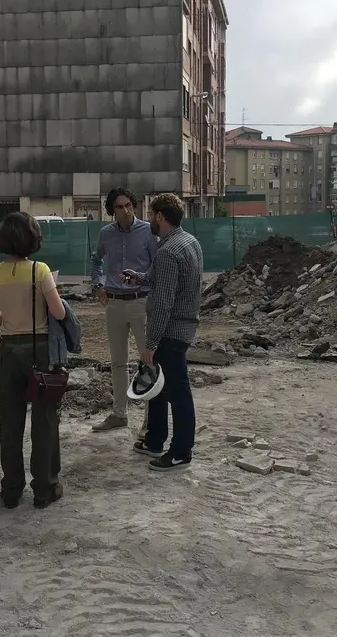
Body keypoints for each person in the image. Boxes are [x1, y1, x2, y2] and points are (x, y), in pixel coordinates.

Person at [0, 212, 67, 509]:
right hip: (39, 350)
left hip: (8, 351)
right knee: (44, 421)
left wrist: (12, 314)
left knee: (10, 421)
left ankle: (11, 489)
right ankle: (45, 488)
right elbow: (59, 313)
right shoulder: (40, 271)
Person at [122, 193, 203, 472]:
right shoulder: (188, 242)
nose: (148, 219)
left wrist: (151, 343)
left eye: (150, 213)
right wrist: (141, 277)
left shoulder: (168, 251)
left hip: (171, 331)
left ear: (159, 216)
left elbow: (164, 301)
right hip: (183, 325)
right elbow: (169, 282)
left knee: (177, 392)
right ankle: (155, 439)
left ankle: (181, 452)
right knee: (158, 388)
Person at [89, 187, 158, 434]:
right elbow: (96, 259)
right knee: (118, 362)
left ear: (135, 205)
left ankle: (151, 420)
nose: (126, 210)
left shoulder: (149, 231)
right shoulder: (106, 234)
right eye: (120, 206)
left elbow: (156, 266)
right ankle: (120, 414)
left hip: (141, 302)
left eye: (129, 205)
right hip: (114, 302)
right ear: (112, 210)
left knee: (148, 361)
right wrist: (97, 285)